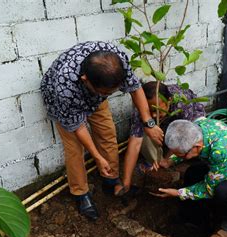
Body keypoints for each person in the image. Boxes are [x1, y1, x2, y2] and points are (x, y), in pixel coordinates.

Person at [40, 41, 163, 221]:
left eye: (111, 92)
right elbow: (78, 128)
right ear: (85, 80)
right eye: (105, 92)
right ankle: (81, 193)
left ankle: (111, 181)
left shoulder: (116, 61)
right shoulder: (64, 87)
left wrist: (149, 123)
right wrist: (97, 156)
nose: (108, 94)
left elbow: (135, 89)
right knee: (74, 148)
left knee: (107, 133)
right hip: (64, 104)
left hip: (95, 95)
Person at [115, 81, 206, 196]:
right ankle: (157, 161)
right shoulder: (141, 109)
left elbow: (184, 134)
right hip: (166, 119)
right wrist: (126, 181)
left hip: (190, 121)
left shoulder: (182, 102)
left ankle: (170, 161)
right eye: (150, 111)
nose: (153, 115)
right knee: (144, 133)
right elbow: (135, 143)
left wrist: (169, 159)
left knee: (188, 142)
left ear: (169, 100)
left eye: (156, 110)